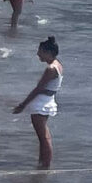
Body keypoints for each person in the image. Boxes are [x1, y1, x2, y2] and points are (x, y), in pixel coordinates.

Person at [12, 36, 61, 169]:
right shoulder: (57, 65)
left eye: (40, 51)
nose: (38, 54)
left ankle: (45, 165)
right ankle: (42, 164)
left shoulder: (50, 68)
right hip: (48, 99)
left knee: (43, 137)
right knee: (44, 137)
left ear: (47, 52)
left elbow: (38, 89)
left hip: (41, 103)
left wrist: (23, 105)